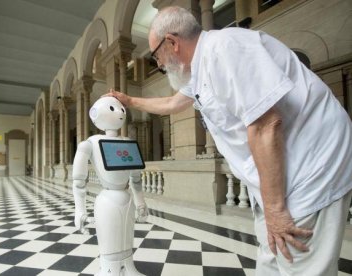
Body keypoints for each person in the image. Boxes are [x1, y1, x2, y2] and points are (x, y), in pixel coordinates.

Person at [106, 6, 352, 276]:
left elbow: (266, 126)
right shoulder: (199, 69)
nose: (160, 65)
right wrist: (129, 101)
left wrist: (276, 210)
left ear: (172, 43)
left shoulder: (226, 49)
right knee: (271, 261)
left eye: (156, 57)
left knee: (299, 263)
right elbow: (172, 102)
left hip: (311, 169)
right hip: (278, 177)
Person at [72, 97, 148, 276]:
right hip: (106, 201)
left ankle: (128, 269)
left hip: (127, 198)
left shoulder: (128, 142)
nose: (121, 112)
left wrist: (141, 202)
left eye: (122, 108)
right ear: (94, 114)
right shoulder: (89, 144)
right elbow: (78, 180)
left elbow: (136, 179)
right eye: (114, 108)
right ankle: (109, 271)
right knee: (110, 243)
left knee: (126, 241)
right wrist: (79, 210)